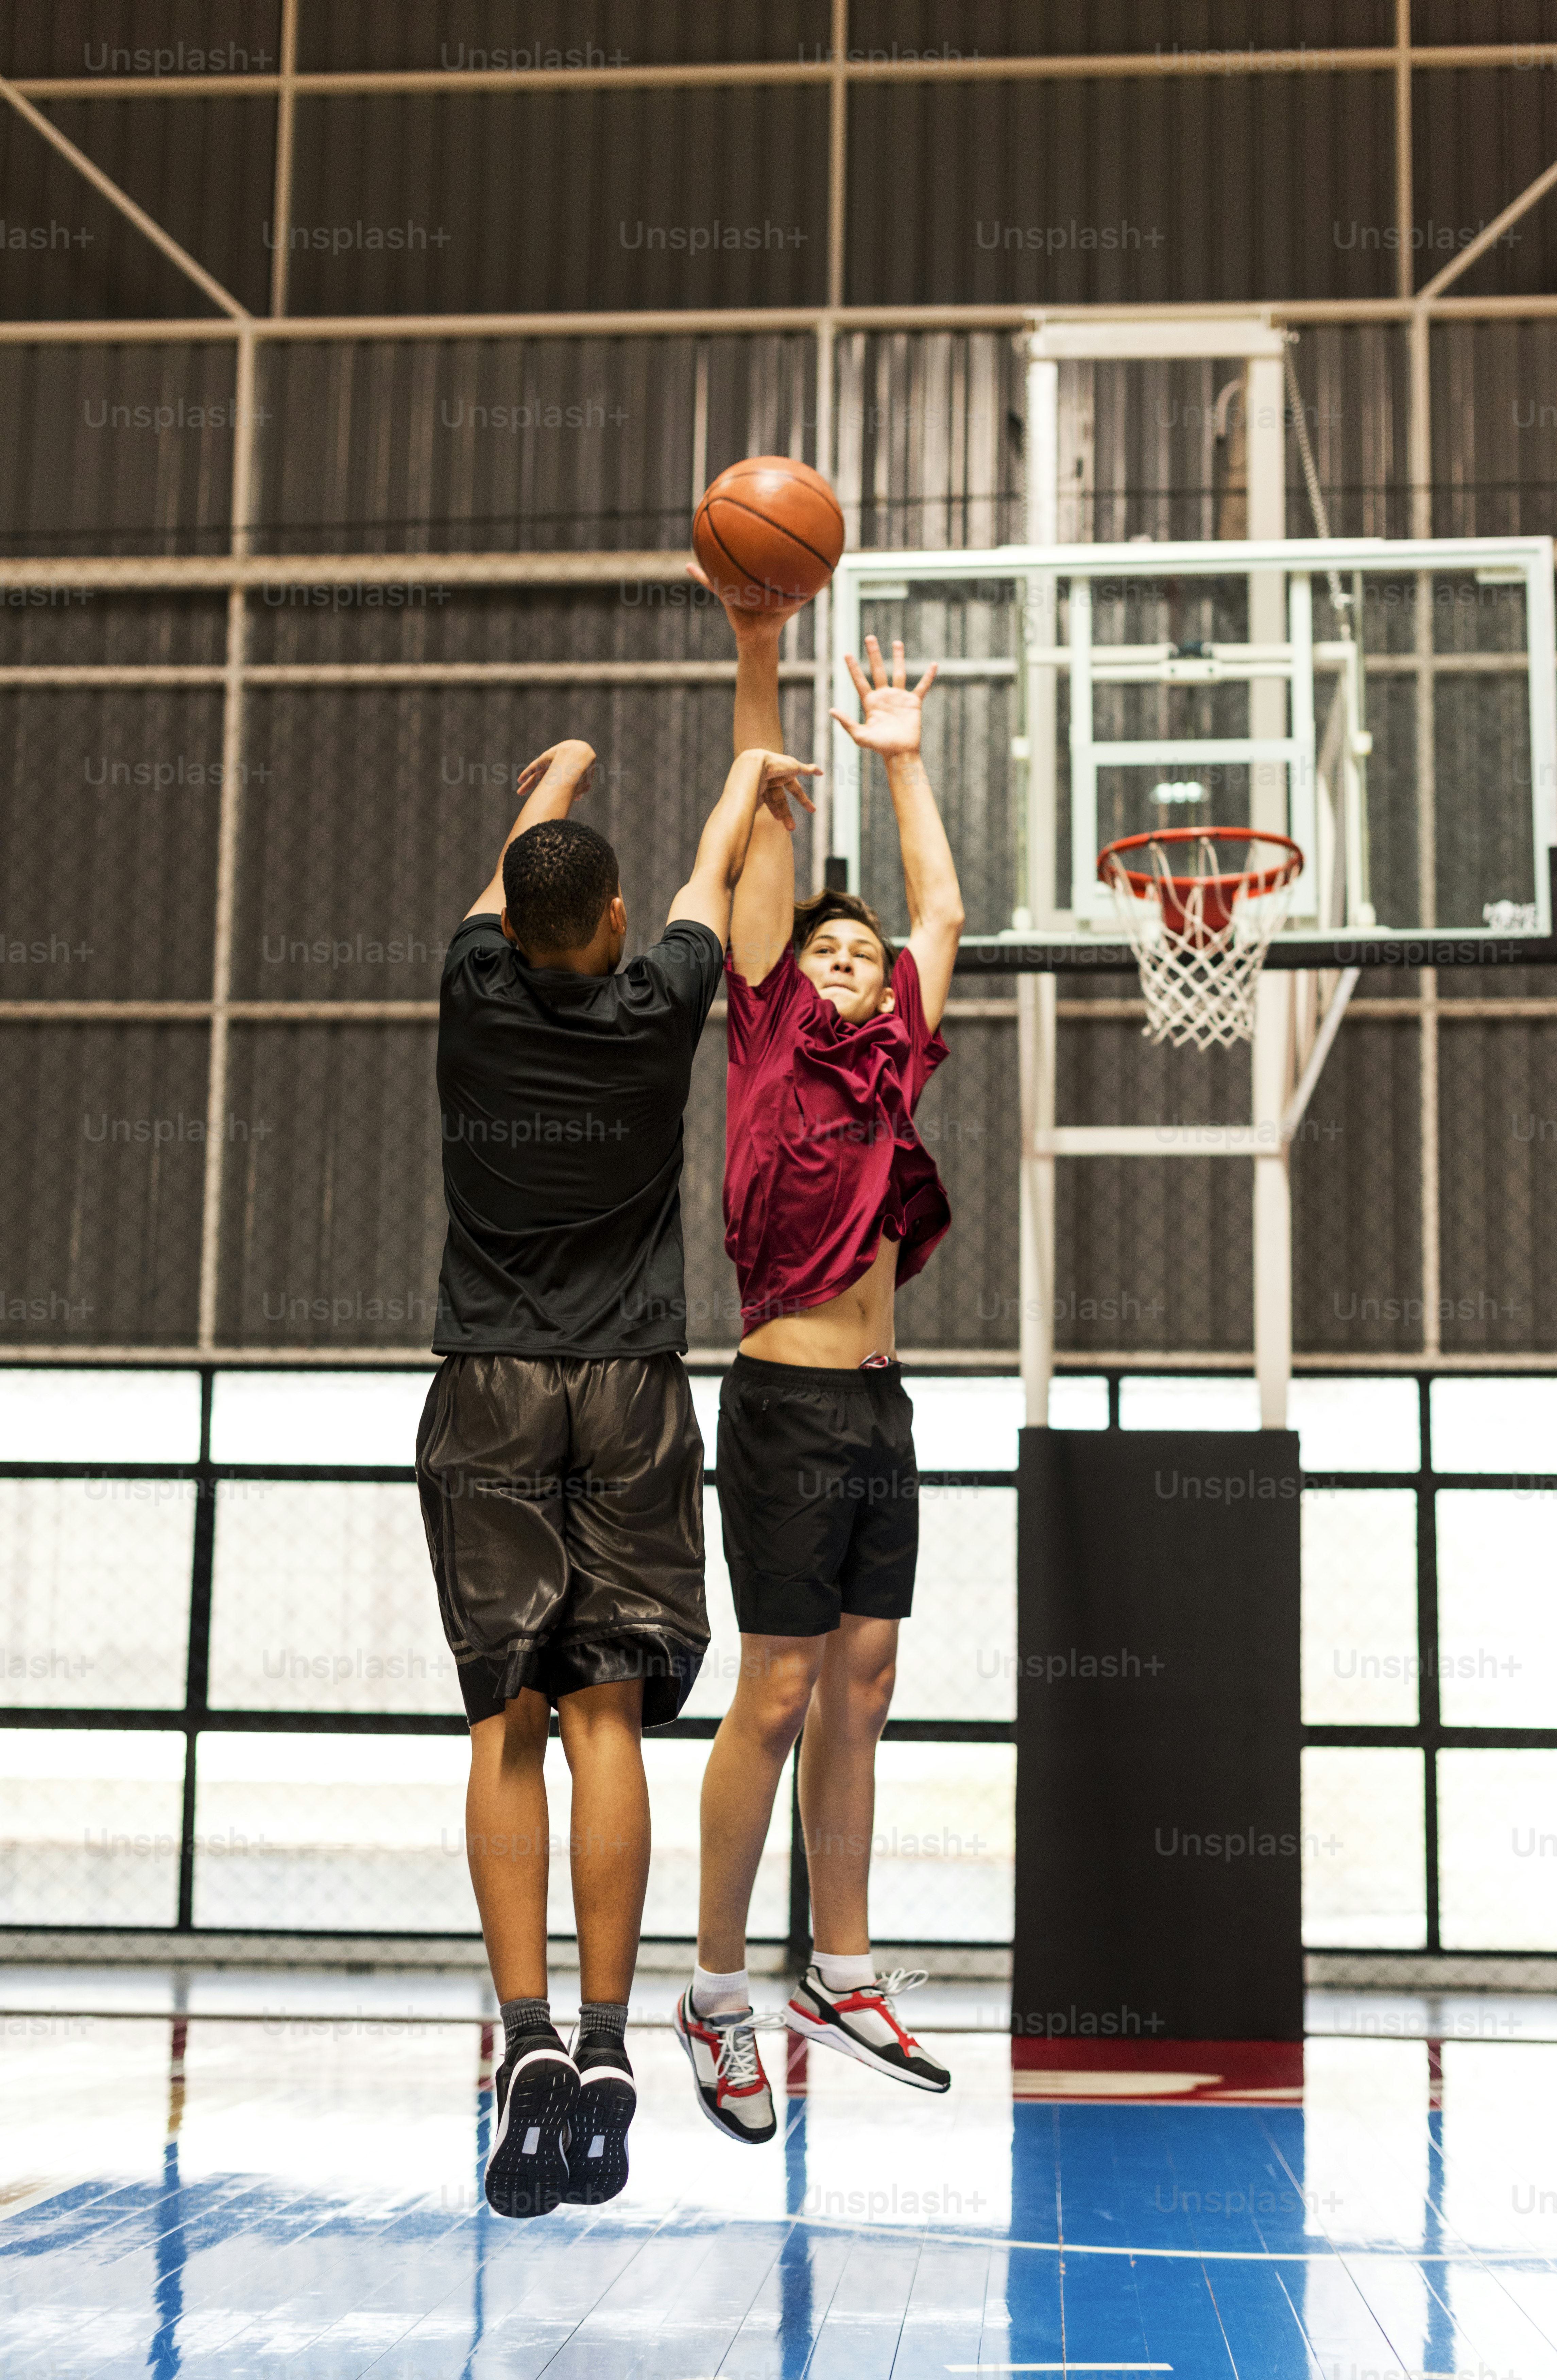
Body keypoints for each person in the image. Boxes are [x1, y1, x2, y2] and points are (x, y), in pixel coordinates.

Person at [416, 730, 818, 2215]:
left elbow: (512, 885)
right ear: (609, 927)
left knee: (502, 1725)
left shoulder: (471, 994)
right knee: (605, 1725)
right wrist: (740, 781)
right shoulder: (659, 1005)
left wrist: (558, 773)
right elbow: (713, 869)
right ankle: (603, 2042)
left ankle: (521, 2043)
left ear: (511, 933)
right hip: (632, 1393)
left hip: (490, 1389)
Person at [674, 583, 965, 2146]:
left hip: (877, 1403)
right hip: (783, 1399)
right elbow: (766, 852)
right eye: (831, 947)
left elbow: (940, 916)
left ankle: (836, 1971)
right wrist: (761, 650)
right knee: (776, 1687)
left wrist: (906, 759)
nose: (852, 954)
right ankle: (716, 1989)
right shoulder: (775, 1021)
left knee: (864, 1681)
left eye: (865, 952)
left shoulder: (894, 1040)